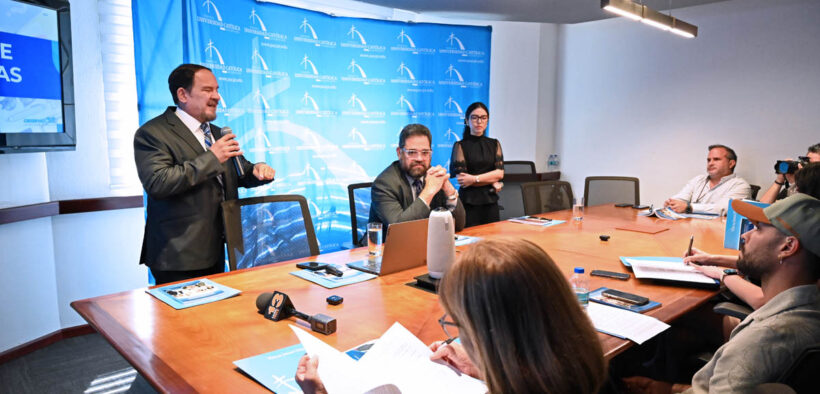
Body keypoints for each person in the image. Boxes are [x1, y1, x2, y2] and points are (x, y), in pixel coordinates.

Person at [295, 238, 608, 394]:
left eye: (458, 324)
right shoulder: (569, 368)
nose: (457, 334)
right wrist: (483, 366)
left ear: (492, 335)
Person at [630, 194, 820, 393]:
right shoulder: (807, 310)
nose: (744, 235)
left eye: (758, 229)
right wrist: (672, 388)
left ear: (788, 247)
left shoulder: (763, 336)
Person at [134, 64, 275, 284]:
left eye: (217, 90)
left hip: (217, 246)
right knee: (184, 319)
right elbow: (158, 183)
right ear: (183, 94)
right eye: (208, 90)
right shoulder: (152, 133)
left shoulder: (217, 133)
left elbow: (238, 172)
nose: (217, 96)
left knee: (215, 315)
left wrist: (256, 171)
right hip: (178, 255)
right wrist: (212, 157)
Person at [368, 123, 466, 232]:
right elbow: (400, 230)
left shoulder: (433, 176)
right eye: (412, 152)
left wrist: (449, 191)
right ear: (399, 153)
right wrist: (428, 192)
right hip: (388, 246)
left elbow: (459, 225)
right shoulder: (384, 184)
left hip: (428, 243)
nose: (419, 158)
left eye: (425, 152)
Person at [449, 102, 505, 227]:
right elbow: (463, 180)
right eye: (474, 117)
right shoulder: (460, 146)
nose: (479, 121)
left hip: (490, 202)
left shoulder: (494, 144)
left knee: (491, 241)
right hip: (469, 202)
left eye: (483, 118)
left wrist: (474, 179)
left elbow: (500, 173)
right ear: (467, 121)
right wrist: (491, 180)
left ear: (487, 121)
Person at [665, 144, 751, 214]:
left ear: (731, 163)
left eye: (716, 159)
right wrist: (673, 203)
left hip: (717, 231)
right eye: (709, 160)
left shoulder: (741, 185)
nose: (710, 163)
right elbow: (682, 197)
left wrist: (689, 207)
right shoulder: (698, 180)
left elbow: (723, 208)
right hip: (690, 227)